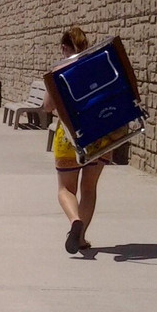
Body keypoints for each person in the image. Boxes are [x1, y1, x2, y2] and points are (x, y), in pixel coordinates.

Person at [42, 26, 107, 254]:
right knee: (89, 188)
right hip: (99, 135)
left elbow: (48, 106)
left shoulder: (59, 70)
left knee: (65, 189)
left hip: (69, 137)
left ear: (63, 47)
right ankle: (81, 239)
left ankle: (74, 221)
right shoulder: (98, 65)